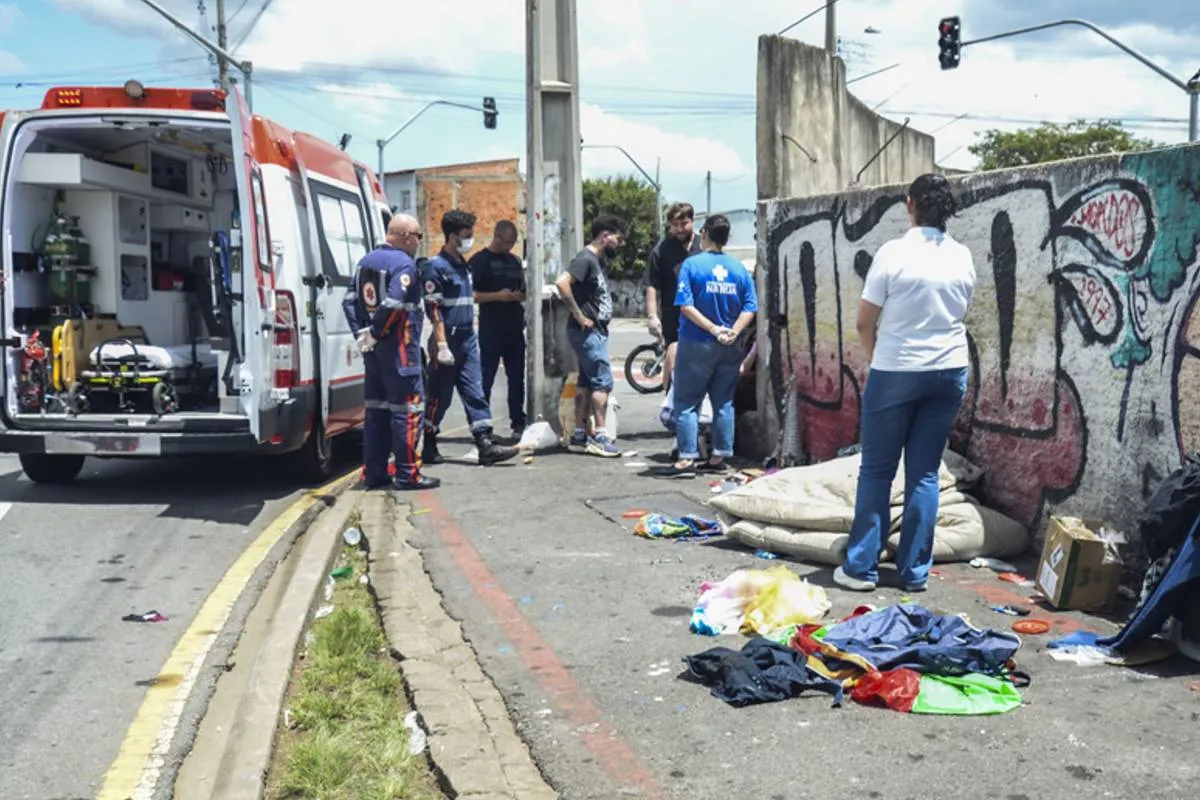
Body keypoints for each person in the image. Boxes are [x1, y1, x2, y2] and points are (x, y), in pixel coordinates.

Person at [833, 173, 976, 594]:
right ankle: (914, 573)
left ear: (910, 204)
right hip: (949, 371)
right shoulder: (962, 256)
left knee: (877, 470)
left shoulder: (893, 253)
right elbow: (961, 310)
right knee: (925, 474)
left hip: (896, 369)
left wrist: (878, 357)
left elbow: (864, 320)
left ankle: (861, 568)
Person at [342, 213, 439, 490]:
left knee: (376, 412)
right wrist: (375, 332)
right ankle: (408, 474)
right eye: (419, 236)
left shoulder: (364, 263)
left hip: (373, 355)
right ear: (406, 235)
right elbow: (395, 302)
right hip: (400, 352)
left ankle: (375, 473)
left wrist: (362, 334)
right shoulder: (403, 264)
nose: (420, 242)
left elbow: (348, 302)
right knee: (408, 411)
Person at [422, 209, 519, 467]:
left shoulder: (463, 265)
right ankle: (428, 440)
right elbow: (433, 308)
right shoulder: (436, 267)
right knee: (439, 398)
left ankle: (485, 444)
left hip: (467, 338)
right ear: (453, 236)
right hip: (447, 340)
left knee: (475, 392)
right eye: (467, 235)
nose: (471, 239)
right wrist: (441, 344)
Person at [669, 214, 757, 475]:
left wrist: (712, 329)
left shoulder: (692, 265)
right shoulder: (739, 269)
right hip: (730, 346)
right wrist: (732, 331)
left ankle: (686, 457)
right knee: (724, 401)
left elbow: (685, 305)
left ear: (704, 233)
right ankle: (720, 457)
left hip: (697, 342)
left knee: (686, 402)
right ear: (727, 238)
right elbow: (750, 307)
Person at [555, 214, 625, 457]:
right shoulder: (585, 259)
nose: (619, 243)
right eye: (617, 238)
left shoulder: (598, 260)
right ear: (605, 235)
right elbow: (562, 283)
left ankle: (580, 434)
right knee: (602, 381)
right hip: (587, 332)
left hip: (593, 332)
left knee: (586, 382)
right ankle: (601, 435)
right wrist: (579, 315)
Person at [470, 220, 527, 441]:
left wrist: (519, 295)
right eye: (507, 242)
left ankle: (518, 422)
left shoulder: (514, 261)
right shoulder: (480, 261)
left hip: (514, 329)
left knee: (516, 379)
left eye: (514, 243)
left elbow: (523, 289)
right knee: (485, 379)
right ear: (497, 236)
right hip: (491, 329)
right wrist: (497, 296)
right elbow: (471, 295)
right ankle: (481, 425)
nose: (510, 247)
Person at [645, 202, 701, 394]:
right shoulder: (661, 250)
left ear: (692, 221)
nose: (679, 229)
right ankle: (673, 410)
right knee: (674, 366)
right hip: (673, 319)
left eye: (684, 223)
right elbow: (652, 285)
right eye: (674, 225)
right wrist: (652, 316)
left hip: (704, 318)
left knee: (700, 370)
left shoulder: (704, 246)